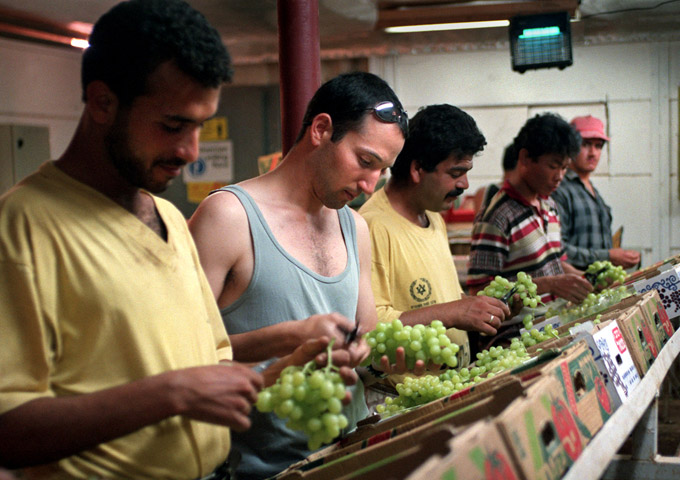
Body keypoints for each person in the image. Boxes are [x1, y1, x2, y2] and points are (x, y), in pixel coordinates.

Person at [0, 1, 357, 477]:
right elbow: (8, 428)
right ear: (102, 102)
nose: (190, 150)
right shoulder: (24, 226)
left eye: (200, 127)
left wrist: (284, 369)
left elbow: (210, 361)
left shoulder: (169, 218)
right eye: (172, 125)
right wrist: (172, 393)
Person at [188, 72, 408, 479]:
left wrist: (383, 358)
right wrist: (293, 338)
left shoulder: (355, 228)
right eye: (365, 161)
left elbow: (367, 342)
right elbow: (184, 355)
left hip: (350, 458)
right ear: (322, 130)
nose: (370, 184)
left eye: (383, 170)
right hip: (260, 470)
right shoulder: (228, 217)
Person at [358, 104, 511, 368]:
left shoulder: (434, 218)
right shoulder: (372, 227)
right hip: (403, 397)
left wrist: (483, 309)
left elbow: (440, 302)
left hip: (448, 388)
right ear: (417, 170)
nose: (464, 185)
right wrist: (454, 312)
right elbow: (370, 326)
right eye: (455, 174)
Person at [467, 112, 594, 306]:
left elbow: (556, 264)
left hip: (555, 324)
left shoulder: (550, 207)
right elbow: (480, 292)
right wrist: (547, 285)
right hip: (519, 333)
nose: (559, 176)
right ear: (525, 158)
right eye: (553, 166)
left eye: (564, 168)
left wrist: (586, 279)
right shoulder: (497, 217)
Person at [552, 115, 640, 270]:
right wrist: (609, 256)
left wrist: (619, 257)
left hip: (599, 288)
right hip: (573, 288)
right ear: (571, 147)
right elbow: (556, 250)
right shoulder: (560, 189)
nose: (593, 153)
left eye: (598, 146)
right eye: (585, 145)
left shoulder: (593, 192)